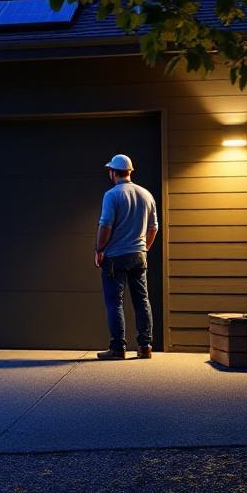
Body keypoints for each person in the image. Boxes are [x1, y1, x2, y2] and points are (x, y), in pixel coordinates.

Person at [94, 154, 158, 360]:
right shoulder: (146, 194)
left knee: (115, 302)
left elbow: (105, 225)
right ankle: (145, 346)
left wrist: (99, 249)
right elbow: (153, 228)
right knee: (142, 301)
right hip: (139, 256)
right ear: (130, 172)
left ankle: (118, 348)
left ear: (113, 172)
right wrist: (143, 248)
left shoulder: (111, 195)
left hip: (115, 257)